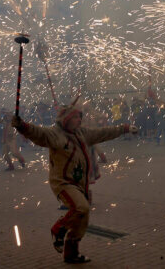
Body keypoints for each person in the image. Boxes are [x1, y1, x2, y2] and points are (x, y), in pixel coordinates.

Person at [11, 102, 137, 263]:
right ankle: (58, 229)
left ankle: (71, 253)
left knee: (82, 219)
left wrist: (124, 128)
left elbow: (103, 132)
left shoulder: (82, 133)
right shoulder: (55, 134)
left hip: (79, 184)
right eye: (76, 117)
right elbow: (38, 134)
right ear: (67, 119)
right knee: (81, 207)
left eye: (80, 116)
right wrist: (22, 126)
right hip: (63, 183)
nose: (79, 120)